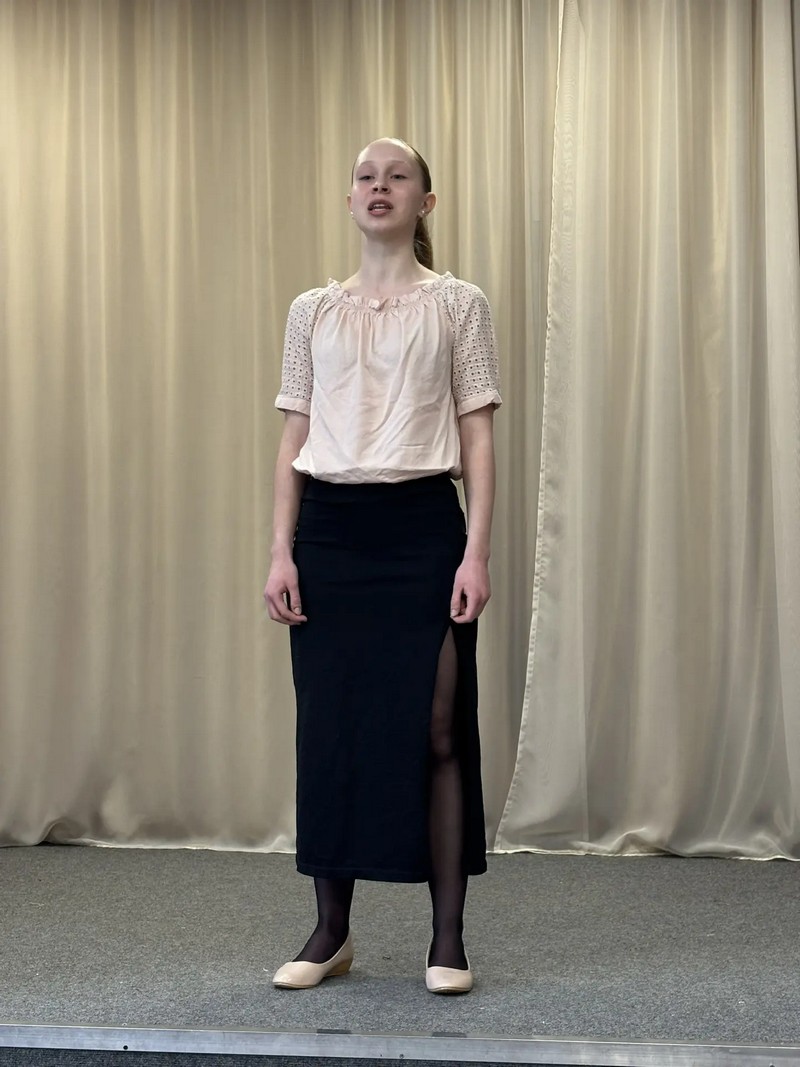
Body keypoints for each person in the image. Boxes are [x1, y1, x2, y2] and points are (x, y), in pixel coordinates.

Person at [263, 137, 501, 995]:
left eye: (397, 176)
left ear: (424, 203)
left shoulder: (459, 304)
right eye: (365, 175)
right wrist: (281, 549)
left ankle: (448, 938)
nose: (379, 186)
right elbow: (295, 433)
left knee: (438, 729)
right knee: (330, 731)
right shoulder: (311, 310)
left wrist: (476, 551)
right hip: (330, 533)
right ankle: (331, 932)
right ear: (350, 198)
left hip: (423, 530)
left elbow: (477, 431)